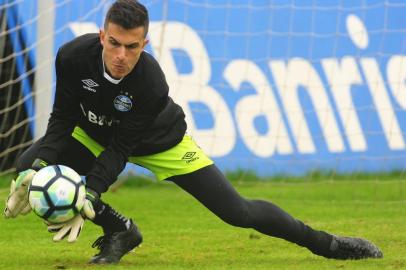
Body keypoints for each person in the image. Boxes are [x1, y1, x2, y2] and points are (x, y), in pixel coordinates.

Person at [4, 0, 383, 265]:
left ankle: (327, 245)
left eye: (132, 47)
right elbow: (60, 123)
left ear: (144, 44)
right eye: (114, 44)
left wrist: (89, 192)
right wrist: (35, 168)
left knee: (238, 212)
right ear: (102, 36)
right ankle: (121, 231)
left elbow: (122, 151)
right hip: (91, 132)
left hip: (159, 141)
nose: (121, 55)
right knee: (29, 166)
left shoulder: (151, 83)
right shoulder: (71, 57)